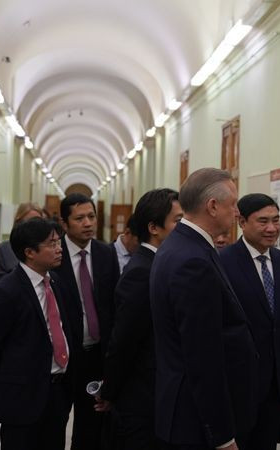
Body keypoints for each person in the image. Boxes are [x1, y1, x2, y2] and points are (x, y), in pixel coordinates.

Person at [150, 168, 258, 450]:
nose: (237, 212)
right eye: (232, 203)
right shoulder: (192, 260)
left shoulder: (183, 246)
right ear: (212, 206)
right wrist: (222, 435)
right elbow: (202, 356)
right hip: (196, 422)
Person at [0, 218, 78, 450]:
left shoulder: (56, 282)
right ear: (30, 252)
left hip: (57, 391)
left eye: (59, 242)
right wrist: (9, 382)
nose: (59, 248)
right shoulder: (7, 291)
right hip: (21, 397)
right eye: (51, 244)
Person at [95, 188, 183, 449]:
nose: (185, 228)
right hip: (143, 397)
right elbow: (123, 341)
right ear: (154, 227)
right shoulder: (142, 272)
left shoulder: (161, 264)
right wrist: (110, 391)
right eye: (178, 222)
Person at [220, 194, 280, 450]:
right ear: (241, 221)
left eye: (276, 220)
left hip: (276, 388)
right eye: (263, 221)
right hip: (238, 385)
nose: (272, 228)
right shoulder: (223, 262)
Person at [56, 193, 120, 450]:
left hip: (97, 353)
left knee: (91, 425)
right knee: (55, 421)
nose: (87, 223)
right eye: (79, 218)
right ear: (64, 223)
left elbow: (114, 304)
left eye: (91, 216)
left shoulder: (106, 253)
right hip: (64, 356)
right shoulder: (53, 254)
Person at [0, 202, 44, 281]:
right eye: (30, 222)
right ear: (19, 222)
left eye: (38, 222)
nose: (34, 227)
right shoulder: (5, 249)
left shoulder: (47, 248)